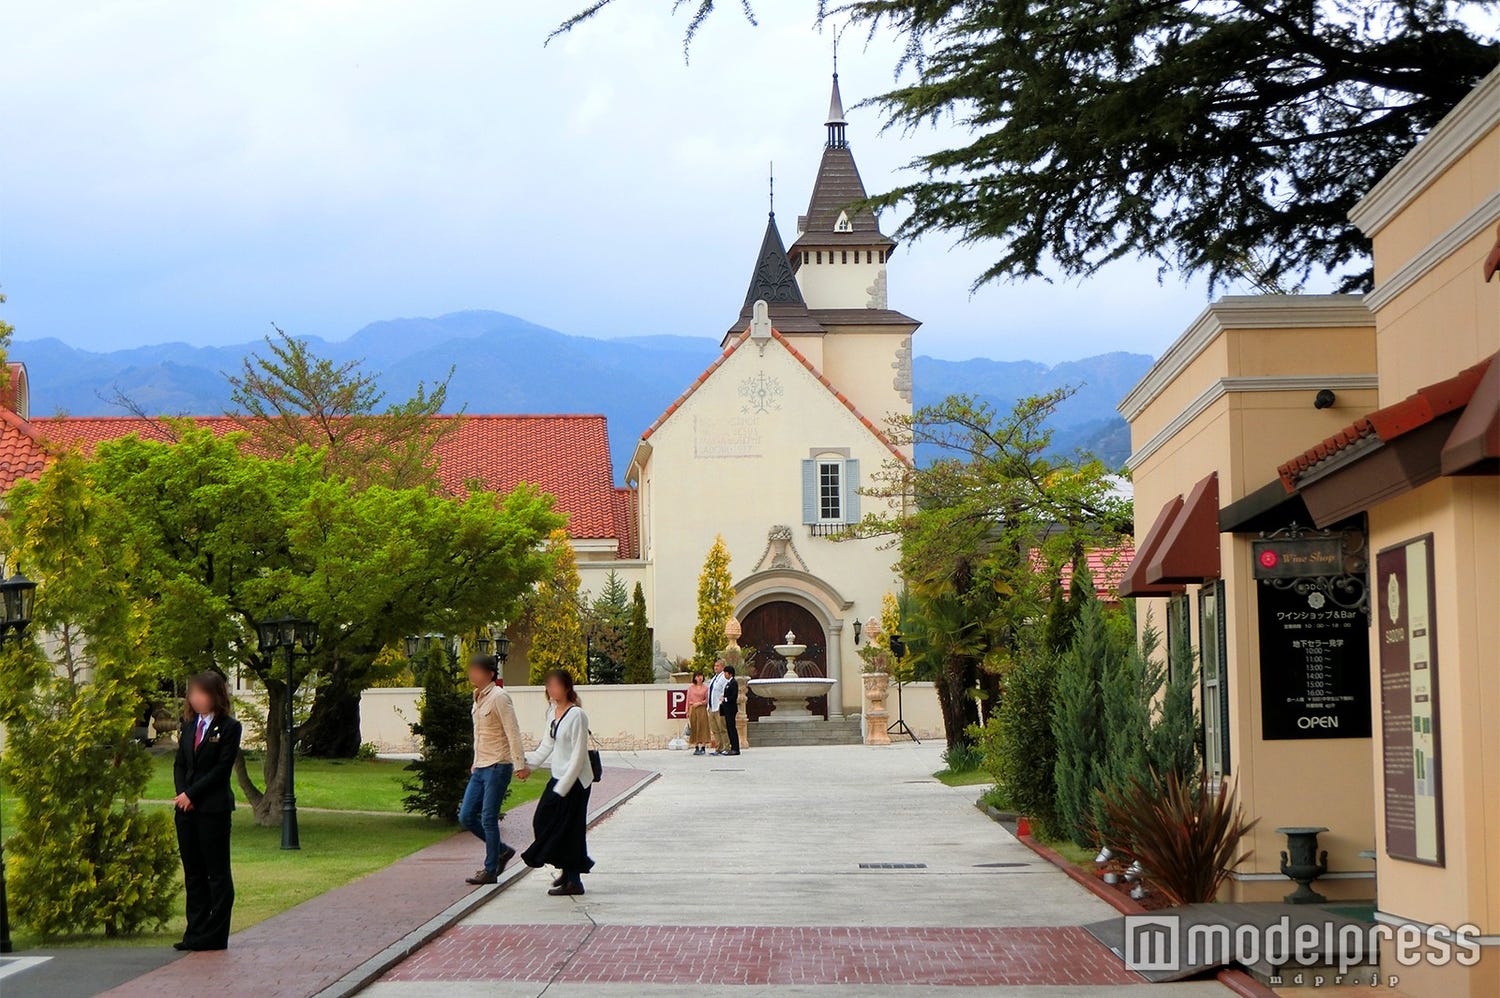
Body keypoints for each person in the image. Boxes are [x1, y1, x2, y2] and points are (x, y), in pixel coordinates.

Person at [172, 670, 242, 951]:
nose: (196, 698)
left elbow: (221, 769)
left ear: (215, 696)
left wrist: (193, 793)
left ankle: (215, 934)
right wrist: (182, 793)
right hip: (187, 811)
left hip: (212, 809)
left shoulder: (229, 727)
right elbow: (180, 763)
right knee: (194, 873)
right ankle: (195, 932)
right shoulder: (189, 726)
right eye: (193, 693)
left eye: (202, 693)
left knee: (216, 873)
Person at [459, 653, 530, 885]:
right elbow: (480, 734)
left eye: (476, 670)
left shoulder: (500, 697)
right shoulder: (477, 697)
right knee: (466, 815)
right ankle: (502, 850)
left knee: (489, 817)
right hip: (481, 766)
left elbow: (513, 731)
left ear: (489, 674)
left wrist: (519, 764)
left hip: (498, 766)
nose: (472, 674)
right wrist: (475, 759)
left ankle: (490, 870)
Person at [522, 669, 595, 896]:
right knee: (542, 821)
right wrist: (527, 766)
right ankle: (566, 870)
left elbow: (578, 755)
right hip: (558, 778)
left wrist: (563, 788)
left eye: (555, 685)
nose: (551, 690)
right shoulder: (552, 712)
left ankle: (574, 880)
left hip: (575, 782)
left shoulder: (577, 715)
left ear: (567, 687)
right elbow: (547, 745)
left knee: (570, 830)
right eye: (548, 685)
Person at [706, 658, 731, 755]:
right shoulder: (714, 678)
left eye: (718, 666)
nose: (715, 668)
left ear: (723, 667)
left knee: (722, 728)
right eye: (715, 666)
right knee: (715, 729)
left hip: (719, 707)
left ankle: (726, 747)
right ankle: (718, 747)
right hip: (712, 707)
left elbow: (725, 690)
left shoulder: (724, 678)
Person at [685, 672, 710, 755]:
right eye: (697, 676)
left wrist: (700, 703)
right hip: (693, 709)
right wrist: (687, 711)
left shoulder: (706, 688)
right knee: (694, 726)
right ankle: (696, 746)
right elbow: (688, 700)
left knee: (703, 726)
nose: (699, 678)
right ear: (695, 677)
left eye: (701, 676)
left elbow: (707, 700)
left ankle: (703, 746)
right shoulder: (691, 688)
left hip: (702, 709)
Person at [718, 664, 741, 756]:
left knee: (732, 728)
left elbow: (733, 697)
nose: (724, 675)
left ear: (730, 674)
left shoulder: (734, 683)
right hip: (727, 709)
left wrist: (725, 699)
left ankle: (736, 748)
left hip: (731, 709)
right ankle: (732, 747)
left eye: (726, 673)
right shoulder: (728, 683)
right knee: (729, 728)